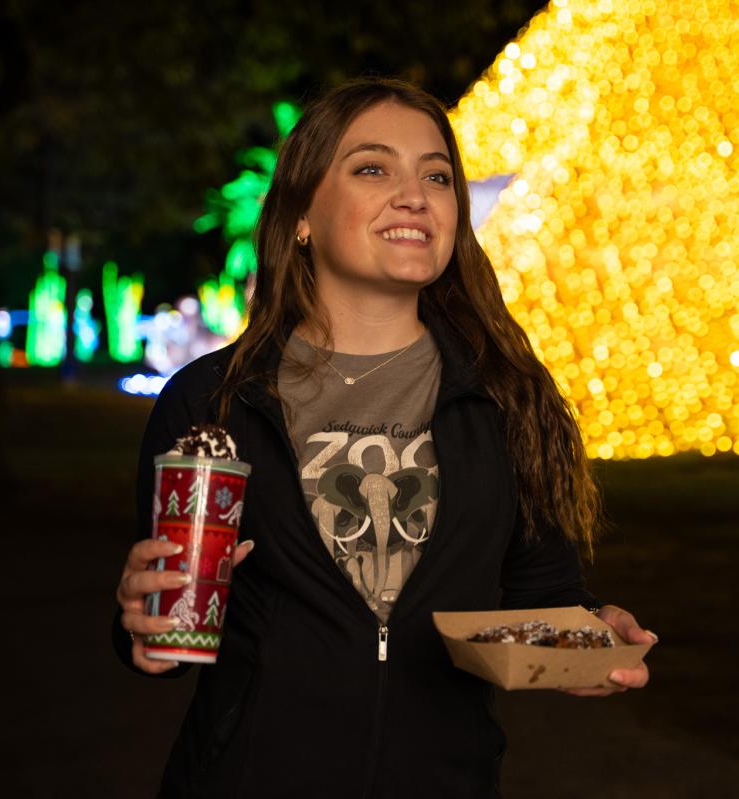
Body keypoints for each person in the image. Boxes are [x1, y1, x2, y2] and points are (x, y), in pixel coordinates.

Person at [113, 77, 655, 797]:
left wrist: (586, 636)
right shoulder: (213, 400)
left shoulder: (509, 399)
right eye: (373, 168)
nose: (415, 194)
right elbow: (166, 625)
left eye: (437, 175)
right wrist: (140, 622)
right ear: (302, 212)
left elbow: (540, 601)